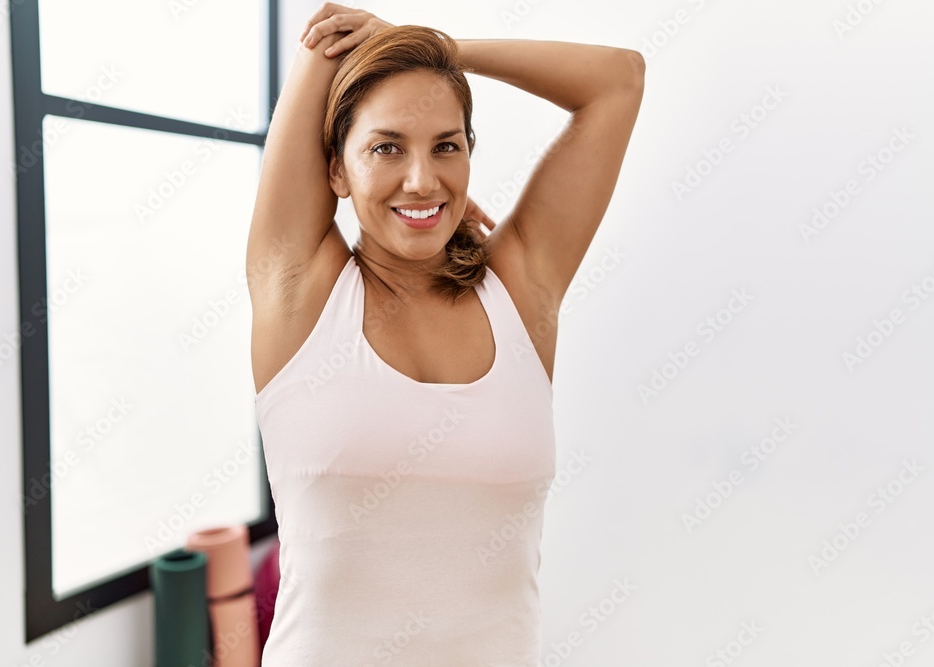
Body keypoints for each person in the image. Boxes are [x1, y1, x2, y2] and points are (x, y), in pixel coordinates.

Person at [246, 3, 644, 664]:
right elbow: (323, 39)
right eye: (386, 147)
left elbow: (618, 80)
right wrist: (389, 42)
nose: (423, 179)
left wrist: (444, 48)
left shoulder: (521, 289)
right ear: (337, 171)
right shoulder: (299, 295)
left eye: (446, 146)